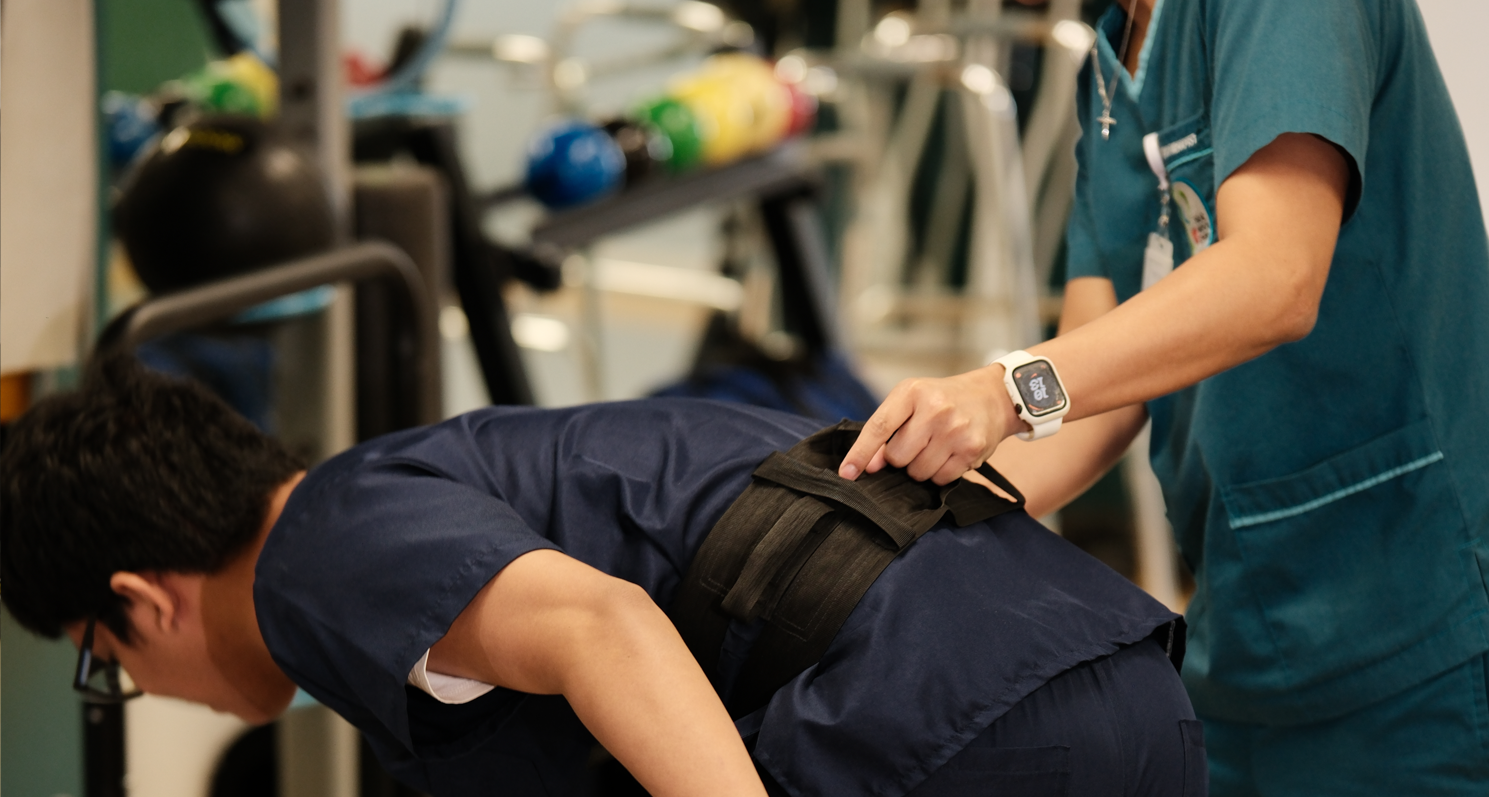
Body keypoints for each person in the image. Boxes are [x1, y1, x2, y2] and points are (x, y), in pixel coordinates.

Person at [837, 0, 1489, 793]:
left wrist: (1001, 390)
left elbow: (1275, 276)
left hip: (1428, 636)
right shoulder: (1112, 62)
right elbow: (1087, 405)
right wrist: (885, 526)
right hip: (1248, 643)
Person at [0, 357, 1205, 797]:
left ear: (139, 601)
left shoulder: (316, 553)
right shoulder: (429, 484)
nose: (148, 689)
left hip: (949, 733)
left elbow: (602, 627)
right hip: (1116, 687)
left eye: (107, 668)